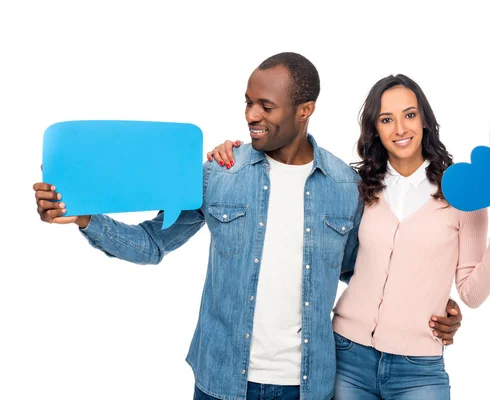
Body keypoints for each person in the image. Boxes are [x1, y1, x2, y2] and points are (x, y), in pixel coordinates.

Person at [33, 53, 462, 400]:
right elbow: (151, 245)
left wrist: (433, 304)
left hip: (309, 385)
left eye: (266, 107)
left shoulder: (345, 187)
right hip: (221, 381)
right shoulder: (220, 172)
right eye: (248, 102)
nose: (251, 115)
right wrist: (85, 218)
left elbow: (361, 270)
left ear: (305, 109)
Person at [206, 74, 490, 399]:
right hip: (347, 357)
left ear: (425, 120)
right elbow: (342, 262)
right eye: (386, 119)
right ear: (375, 128)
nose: (400, 129)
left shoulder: (464, 193)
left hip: (418, 367)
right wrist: (239, 152)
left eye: (409, 115)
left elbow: (472, 294)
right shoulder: (357, 186)